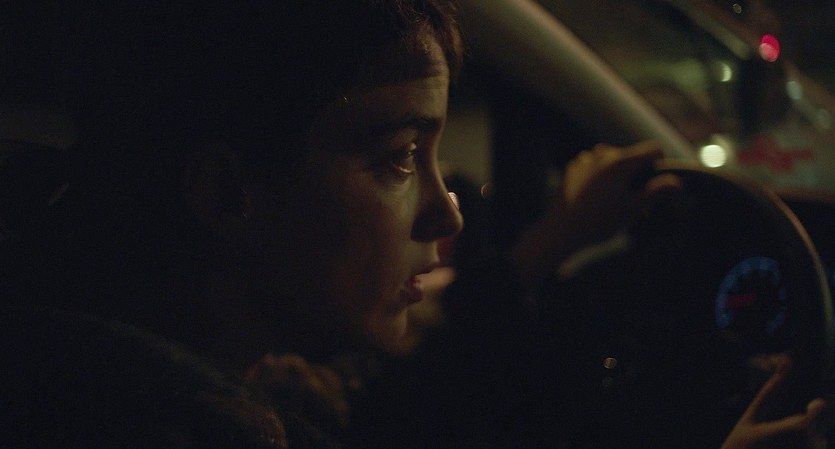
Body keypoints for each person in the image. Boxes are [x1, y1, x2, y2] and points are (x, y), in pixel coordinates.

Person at [0, 0, 827, 447]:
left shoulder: (89, 354)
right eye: (398, 157)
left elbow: (399, 415)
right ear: (223, 190)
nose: (446, 207)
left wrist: (544, 250)